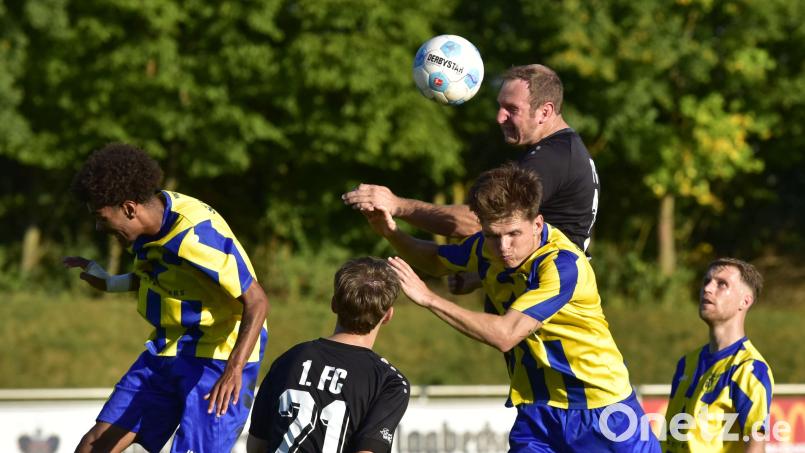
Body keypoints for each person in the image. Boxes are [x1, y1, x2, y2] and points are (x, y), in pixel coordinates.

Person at [363, 163, 658, 452]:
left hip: (603, 409)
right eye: (493, 235)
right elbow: (437, 260)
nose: (503, 246)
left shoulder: (563, 265)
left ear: (538, 224)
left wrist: (429, 298)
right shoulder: (484, 248)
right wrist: (391, 233)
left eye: (514, 234)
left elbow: (506, 334)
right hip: (537, 411)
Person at [64, 143, 269, 453]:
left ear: (130, 208)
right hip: (169, 348)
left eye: (101, 217)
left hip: (217, 359)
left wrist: (234, 370)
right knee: (95, 445)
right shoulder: (149, 222)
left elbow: (257, 301)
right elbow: (158, 275)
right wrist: (108, 282)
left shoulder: (196, 236)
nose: (98, 226)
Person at [342, 63, 599, 256]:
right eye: (500, 106)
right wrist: (476, 278)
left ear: (545, 112)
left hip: (549, 314)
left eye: (512, 109)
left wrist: (397, 205)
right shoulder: (559, 150)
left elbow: (476, 221)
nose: (499, 117)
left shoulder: (551, 158)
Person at [247, 257, 409, 453]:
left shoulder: (289, 359)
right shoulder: (389, 381)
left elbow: (256, 446)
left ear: (334, 304)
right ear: (388, 315)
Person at [663, 258, 773, 452]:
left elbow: (756, 445)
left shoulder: (749, 369)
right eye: (707, 281)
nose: (707, 288)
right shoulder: (686, 363)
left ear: (745, 301)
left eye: (722, 284)